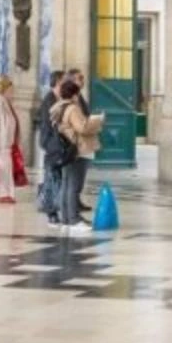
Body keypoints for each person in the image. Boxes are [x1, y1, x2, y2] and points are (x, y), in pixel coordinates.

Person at [50, 75, 104, 233]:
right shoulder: (72, 108)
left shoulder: (58, 107)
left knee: (67, 184)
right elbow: (83, 128)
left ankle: (67, 218)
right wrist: (98, 121)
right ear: (75, 94)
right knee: (74, 186)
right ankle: (73, 219)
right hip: (78, 149)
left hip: (66, 149)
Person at [35, 70, 65, 217]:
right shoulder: (50, 101)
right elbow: (50, 125)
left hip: (55, 144)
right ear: (56, 84)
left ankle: (53, 209)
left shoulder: (58, 99)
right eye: (62, 83)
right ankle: (50, 212)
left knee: (54, 178)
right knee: (51, 179)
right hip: (51, 144)